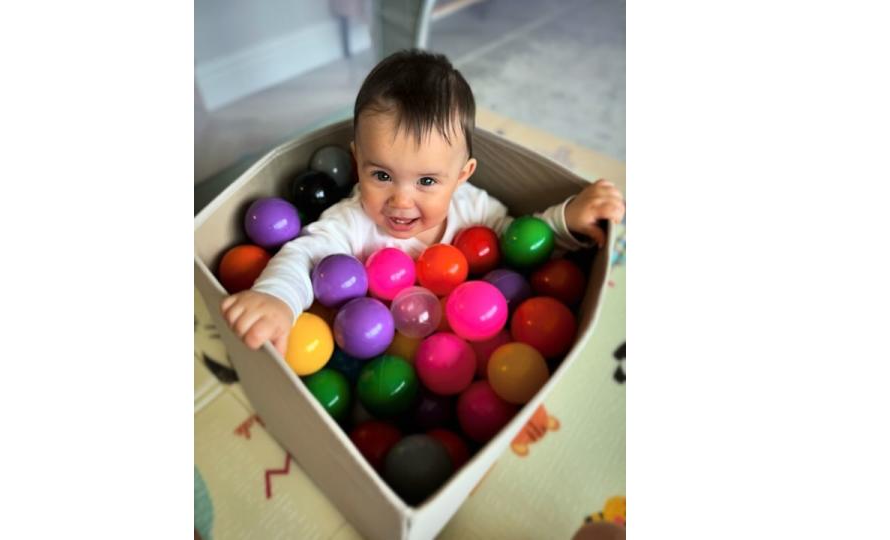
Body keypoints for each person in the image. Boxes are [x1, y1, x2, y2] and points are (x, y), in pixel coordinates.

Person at [221, 49, 624, 354]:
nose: (401, 199)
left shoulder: (474, 209)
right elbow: (304, 256)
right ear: (357, 162)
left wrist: (568, 219)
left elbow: (524, 243)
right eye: (381, 175)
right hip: (372, 345)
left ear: (462, 176)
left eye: (427, 180)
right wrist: (276, 298)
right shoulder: (350, 221)